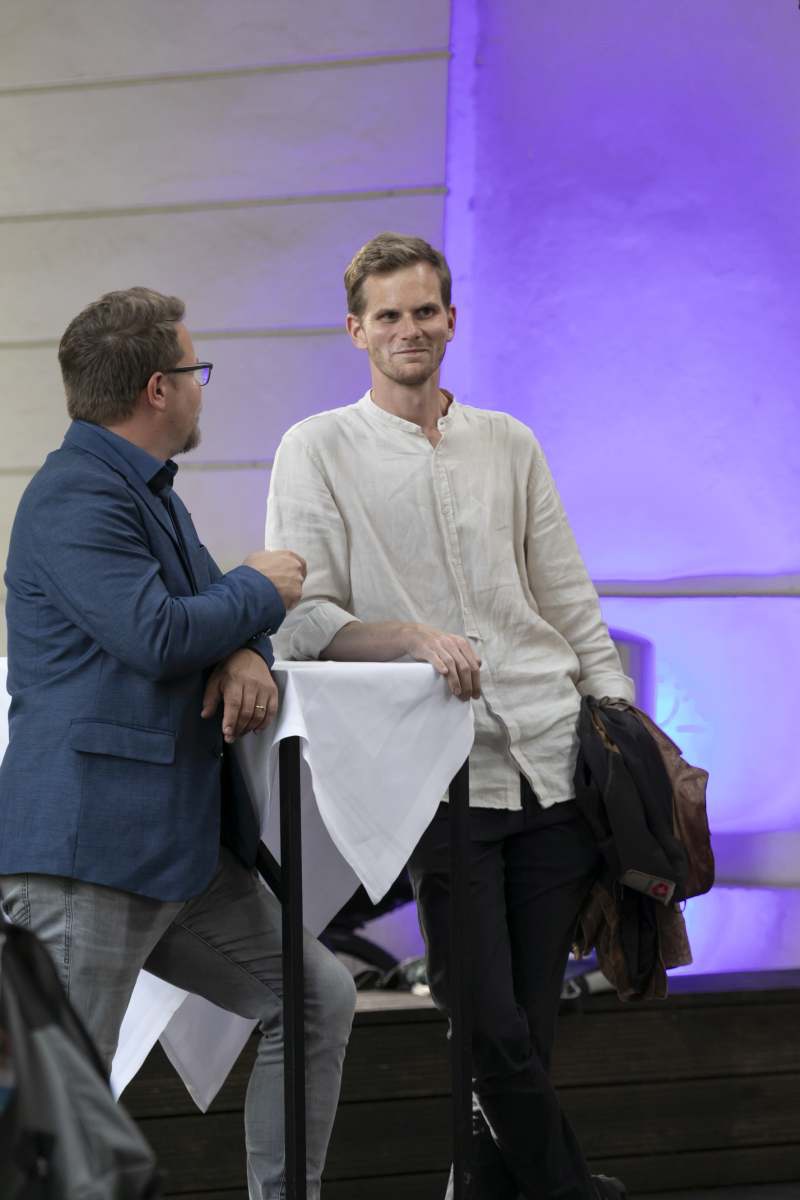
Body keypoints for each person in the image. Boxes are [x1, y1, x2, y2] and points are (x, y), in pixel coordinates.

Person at [264, 235, 632, 1199]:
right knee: (487, 1025)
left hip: (551, 760)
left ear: (452, 320)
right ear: (356, 331)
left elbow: (569, 600)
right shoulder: (318, 448)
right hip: (434, 777)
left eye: (424, 310)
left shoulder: (509, 442)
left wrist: (626, 733)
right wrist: (411, 638)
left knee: (528, 1035)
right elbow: (303, 621)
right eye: (387, 315)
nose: (409, 329)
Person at [0, 287, 357, 1200]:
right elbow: (159, 634)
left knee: (315, 998)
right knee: (61, 1114)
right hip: (88, 850)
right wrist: (260, 587)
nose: (203, 387)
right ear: (158, 389)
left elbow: (204, 617)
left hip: (177, 849)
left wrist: (243, 647)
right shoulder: (74, 495)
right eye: (196, 370)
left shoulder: (147, 490)